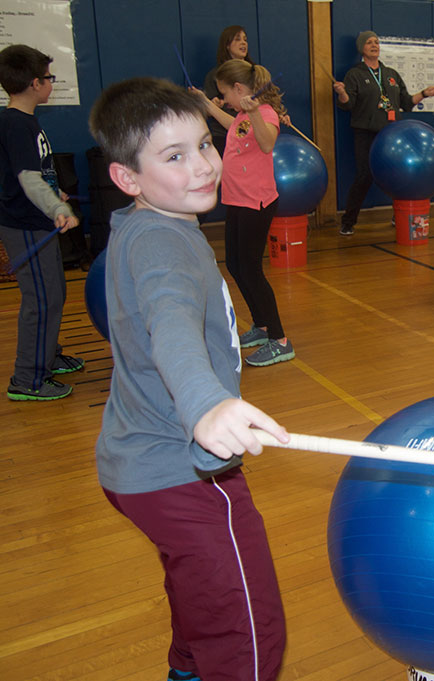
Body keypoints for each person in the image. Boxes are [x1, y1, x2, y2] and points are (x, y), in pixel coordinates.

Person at [89, 76, 290, 681]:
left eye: (204, 145)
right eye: (174, 157)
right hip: (182, 471)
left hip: (134, 462)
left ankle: (188, 670)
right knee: (248, 629)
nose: (204, 166)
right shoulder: (161, 246)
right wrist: (206, 405)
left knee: (203, 589)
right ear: (128, 177)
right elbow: (170, 319)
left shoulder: (149, 224)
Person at [194, 59, 295, 366]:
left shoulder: (263, 114)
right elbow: (232, 126)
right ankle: (262, 326)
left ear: (239, 88)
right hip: (237, 199)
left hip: (256, 202)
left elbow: (266, 144)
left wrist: (252, 111)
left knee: (251, 269)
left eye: (224, 93)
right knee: (236, 265)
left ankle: (280, 340)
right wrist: (206, 104)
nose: (222, 99)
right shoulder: (241, 114)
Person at [0, 44, 83, 401]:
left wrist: (57, 195)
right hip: (25, 223)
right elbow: (28, 180)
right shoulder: (16, 123)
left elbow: (39, 174)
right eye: (49, 78)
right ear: (35, 83)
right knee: (41, 300)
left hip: (38, 219)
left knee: (54, 293)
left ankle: (46, 356)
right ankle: (28, 378)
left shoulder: (25, 120)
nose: (51, 83)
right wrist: (57, 209)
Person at [333, 30, 434, 236]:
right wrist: (343, 93)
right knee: (364, 176)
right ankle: (348, 221)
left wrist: (425, 94)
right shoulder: (354, 74)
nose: (374, 45)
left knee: (399, 174)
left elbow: (407, 103)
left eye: (376, 42)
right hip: (366, 133)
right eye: (369, 43)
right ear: (362, 49)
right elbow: (348, 105)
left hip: (392, 135)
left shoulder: (391, 74)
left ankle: (398, 215)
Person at [202, 25, 252, 156]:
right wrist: (212, 105)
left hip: (251, 134)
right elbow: (205, 111)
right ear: (227, 45)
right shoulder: (215, 75)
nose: (243, 43)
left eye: (245, 40)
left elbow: (266, 102)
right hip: (223, 135)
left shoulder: (255, 72)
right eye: (237, 39)